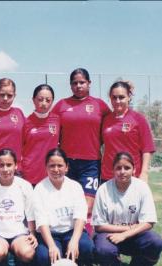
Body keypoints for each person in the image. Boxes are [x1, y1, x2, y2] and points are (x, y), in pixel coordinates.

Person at [52, 68, 110, 231]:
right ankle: (65, 239)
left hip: (91, 163)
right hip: (66, 163)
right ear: (71, 86)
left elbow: (112, 124)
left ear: (89, 83)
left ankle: (82, 242)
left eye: (82, 82)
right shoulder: (61, 105)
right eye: (75, 83)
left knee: (87, 206)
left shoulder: (99, 105)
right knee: (65, 204)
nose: (78, 86)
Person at [93, 152, 162, 266]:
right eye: (118, 168)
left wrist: (125, 234)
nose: (122, 171)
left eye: (127, 168)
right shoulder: (103, 190)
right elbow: (99, 226)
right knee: (103, 250)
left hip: (134, 235)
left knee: (155, 242)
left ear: (134, 169)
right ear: (113, 170)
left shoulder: (142, 187)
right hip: (109, 235)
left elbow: (149, 222)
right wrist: (128, 228)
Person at [33, 148, 94, 266]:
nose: (56, 169)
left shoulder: (75, 186)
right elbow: (42, 222)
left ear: (66, 167)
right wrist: (51, 246)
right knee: (45, 256)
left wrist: (74, 241)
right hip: (50, 234)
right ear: (46, 168)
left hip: (71, 231)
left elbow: (80, 216)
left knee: (86, 247)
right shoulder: (39, 189)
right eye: (52, 166)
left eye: (60, 165)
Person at [0, 149, 37, 264]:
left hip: (19, 233)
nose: (5, 169)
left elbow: (30, 213)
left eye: (9, 165)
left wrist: (32, 233)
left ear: (16, 166)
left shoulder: (25, 186)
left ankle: (15, 258)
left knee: (27, 253)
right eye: (1, 165)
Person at [101, 80, 155, 183]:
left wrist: (144, 173)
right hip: (108, 176)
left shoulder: (139, 119)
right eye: (114, 97)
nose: (117, 101)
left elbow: (147, 149)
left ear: (129, 97)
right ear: (110, 98)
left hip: (132, 176)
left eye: (121, 97)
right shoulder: (106, 120)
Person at [22, 84, 60, 185]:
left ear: (52, 101)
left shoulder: (58, 120)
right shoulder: (25, 122)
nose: (44, 103)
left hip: (51, 175)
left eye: (48, 100)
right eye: (40, 99)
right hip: (29, 175)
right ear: (33, 100)